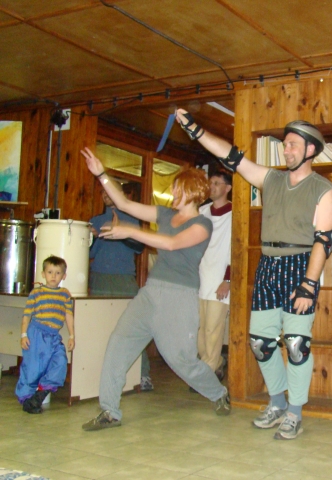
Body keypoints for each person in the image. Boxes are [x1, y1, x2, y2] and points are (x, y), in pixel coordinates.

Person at [175, 109, 332, 440]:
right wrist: (196, 130)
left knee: (296, 344)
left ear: (310, 149)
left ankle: (295, 412)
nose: (286, 150)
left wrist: (308, 285)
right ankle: (277, 402)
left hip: (300, 266)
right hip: (268, 264)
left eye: (292, 145)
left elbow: (324, 241)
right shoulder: (271, 179)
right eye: (284, 144)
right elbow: (232, 157)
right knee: (261, 342)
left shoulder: (323, 189)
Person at [80, 147, 230, 431]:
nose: (172, 193)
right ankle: (109, 410)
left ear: (192, 191)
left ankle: (219, 393)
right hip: (150, 292)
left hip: (179, 297)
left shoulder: (203, 224)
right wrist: (102, 174)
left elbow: (171, 244)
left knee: (182, 361)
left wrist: (130, 231)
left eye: (177, 189)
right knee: (118, 343)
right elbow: (124, 204)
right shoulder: (164, 214)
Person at [90, 186, 154, 392]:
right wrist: (92, 237)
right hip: (99, 278)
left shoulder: (131, 218)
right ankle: (98, 376)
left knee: (134, 327)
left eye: (109, 191)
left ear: (120, 194)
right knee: (98, 327)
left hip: (124, 279)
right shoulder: (95, 220)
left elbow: (139, 247)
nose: (105, 195)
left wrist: (122, 232)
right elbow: (90, 253)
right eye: (102, 192)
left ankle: (143, 374)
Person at [16, 255, 75, 414]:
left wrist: (71, 335)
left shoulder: (64, 294)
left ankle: (39, 395)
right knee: (33, 367)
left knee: (60, 362)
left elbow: (68, 315)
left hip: (53, 335)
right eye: (50, 272)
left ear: (64, 276)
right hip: (36, 333)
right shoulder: (37, 292)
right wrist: (23, 335)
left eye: (58, 273)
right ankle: (27, 399)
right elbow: (27, 315)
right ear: (43, 274)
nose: (53, 276)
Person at [197, 170, 232, 381]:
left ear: (227, 188)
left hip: (220, 281)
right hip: (200, 279)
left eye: (217, 183)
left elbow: (236, 249)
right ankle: (215, 362)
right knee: (200, 330)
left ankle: (206, 375)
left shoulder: (235, 213)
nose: (212, 187)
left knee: (213, 330)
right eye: (210, 183)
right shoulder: (202, 212)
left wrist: (228, 280)